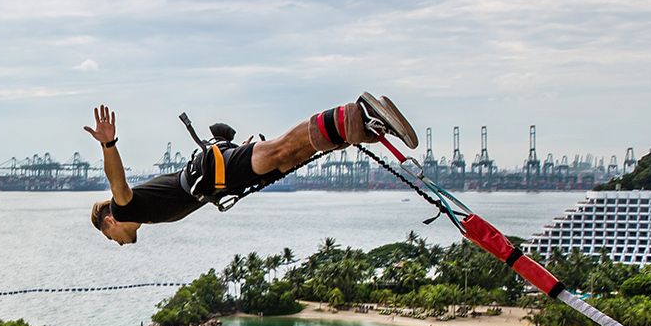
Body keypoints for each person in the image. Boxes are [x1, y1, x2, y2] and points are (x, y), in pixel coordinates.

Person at [86, 92, 418, 245]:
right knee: (286, 157)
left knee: (281, 150)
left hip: (214, 171)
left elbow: (117, 181)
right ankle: (357, 125)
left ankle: (356, 113)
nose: (116, 242)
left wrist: (108, 144)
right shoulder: (145, 213)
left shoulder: (124, 206)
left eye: (109, 236)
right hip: (218, 176)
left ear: (111, 222)